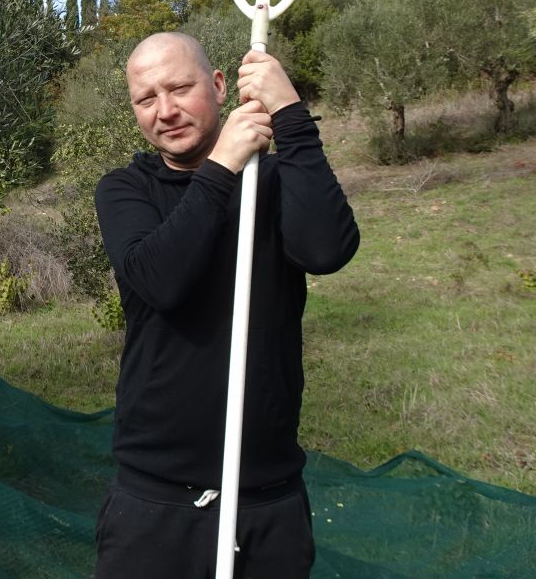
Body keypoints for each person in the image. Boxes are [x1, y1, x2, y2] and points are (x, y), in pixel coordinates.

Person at [93, 31, 359, 578]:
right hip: (154, 497)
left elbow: (328, 250)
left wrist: (289, 113)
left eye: (180, 88)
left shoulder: (275, 182)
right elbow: (160, 279)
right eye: (146, 99)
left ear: (218, 87)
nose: (165, 111)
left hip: (266, 494)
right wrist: (221, 165)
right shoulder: (125, 189)